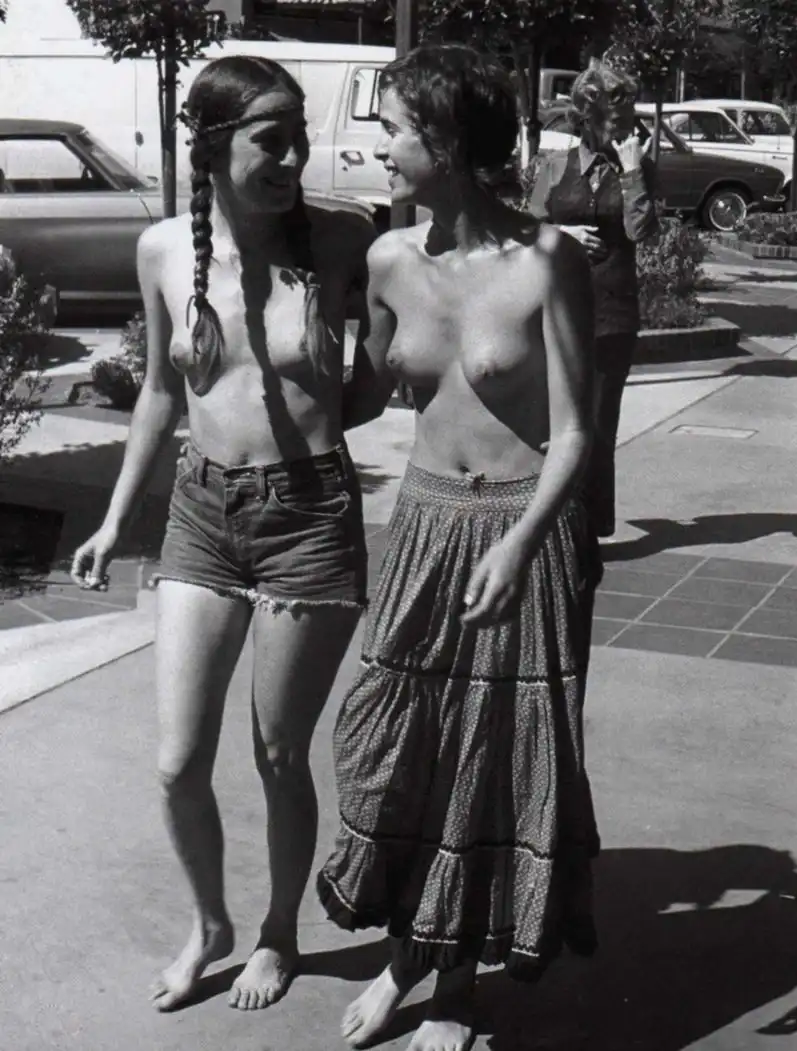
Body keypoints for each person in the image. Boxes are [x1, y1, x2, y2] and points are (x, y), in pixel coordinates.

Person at [70, 55, 373, 1013]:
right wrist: (117, 517)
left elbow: (387, 364)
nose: (293, 158)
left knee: (279, 755)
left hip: (309, 519)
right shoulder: (163, 248)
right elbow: (162, 393)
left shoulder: (344, 238)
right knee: (176, 763)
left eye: (299, 138)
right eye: (269, 140)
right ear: (211, 146)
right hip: (201, 514)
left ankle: (279, 930)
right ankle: (210, 923)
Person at [317, 44, 601, 1051]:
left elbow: (576, 432)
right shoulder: (388, 259)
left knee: (489, 756)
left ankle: (451, 986)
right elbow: (365, 395)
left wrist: (520, 545)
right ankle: (408, 949)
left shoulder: (547, 261)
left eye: (395, 129)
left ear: (446, 140)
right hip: (423, 522)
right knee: (394, 744)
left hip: (521, 525)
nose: (380, 145)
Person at [529, 58, 658, 538]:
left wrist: (633, 171)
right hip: (554, 309)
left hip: (611, 313)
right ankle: (551, 519)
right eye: (617, 121)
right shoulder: (555, 165)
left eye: (630, 120)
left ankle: (589, 527)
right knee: (549, 422)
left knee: (599, 425)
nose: (628, 130)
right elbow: (526, 226)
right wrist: (560, 232)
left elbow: (641, 232)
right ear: (589, 119)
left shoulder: (638, 167)